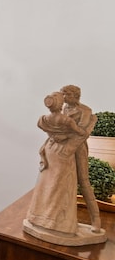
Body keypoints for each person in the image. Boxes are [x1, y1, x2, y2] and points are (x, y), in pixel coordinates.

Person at [27, 92, 85, 234]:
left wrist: (54, 135)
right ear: (60, 104)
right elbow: (81, 133)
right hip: (62, 152)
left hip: (50, 148)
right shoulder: (66, 120)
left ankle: (39, 215)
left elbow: (45, 129)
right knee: (60, 185)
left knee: (46, 182)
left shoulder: (43, 119)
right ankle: (57, 222)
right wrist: (67, 135)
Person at [60, 84, 100, 233]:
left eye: (66, 94)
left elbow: (82, 132)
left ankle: (96, 219)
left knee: (84, 182)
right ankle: (66, 219)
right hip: (64, 147)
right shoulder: (65, 108)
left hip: (78, 148)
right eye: (62, 94)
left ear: (75, 96)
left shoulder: (85, 110)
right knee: (63, 182)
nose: (63, 97)